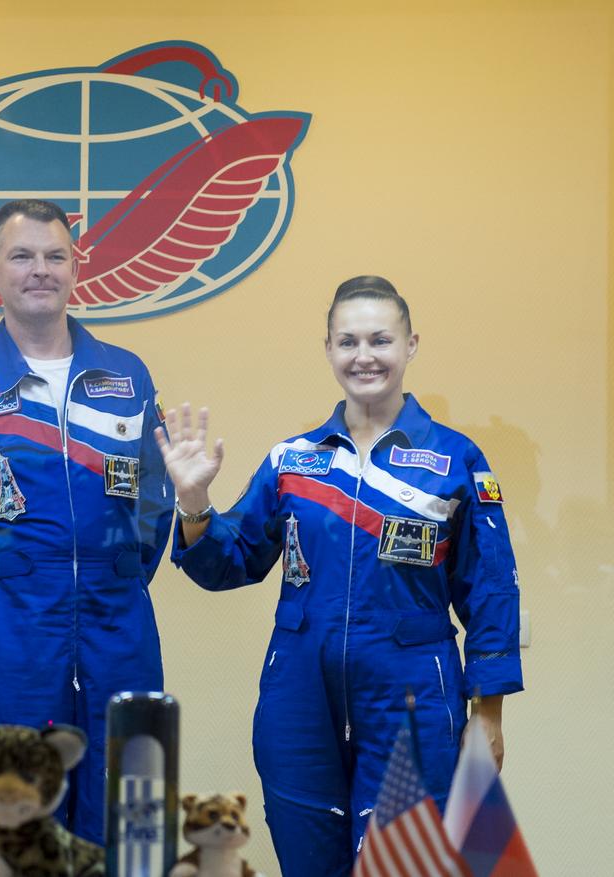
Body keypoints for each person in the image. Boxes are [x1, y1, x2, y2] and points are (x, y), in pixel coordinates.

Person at [155, 275, 523, 876]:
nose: (364, 356)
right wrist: (195, 503)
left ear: (411, 345)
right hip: (297, 690)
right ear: (327, 349)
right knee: (308, 860)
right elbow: (232, 561)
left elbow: (491, 592)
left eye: (380, 339)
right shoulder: (293, 461)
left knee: (397, 863)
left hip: (413, 691)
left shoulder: (458, 461)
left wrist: (489, 715)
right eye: (347, 342)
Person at [0, 199, 175, 845]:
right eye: (22, 255)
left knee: (130, 821)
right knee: (19, 822)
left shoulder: (127, 378)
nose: (40, 270)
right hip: (10, 633)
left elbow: (155, 502)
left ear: (75, 266)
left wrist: (114, 582)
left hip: (120, 627)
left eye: (55, 256)